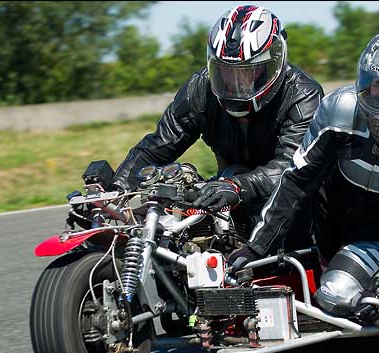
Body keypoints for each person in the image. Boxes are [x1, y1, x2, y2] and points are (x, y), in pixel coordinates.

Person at [230, 25, 379, 323]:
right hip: (325, 227)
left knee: (335, 293)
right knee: (236, 252)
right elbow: (298, 180)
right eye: (376, 81)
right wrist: (255, 248)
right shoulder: (339, 109)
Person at [103, 4, 323, 244]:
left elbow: (291, 168)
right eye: (226, 73)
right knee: (163, 217)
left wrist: (236, 186)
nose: (236, 85)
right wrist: (115, 190)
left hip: (292, 206)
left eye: (247, 73)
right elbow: (159, 145)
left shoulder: (303, 95)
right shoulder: (201, 88)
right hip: (228, 191)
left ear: (274, 63)